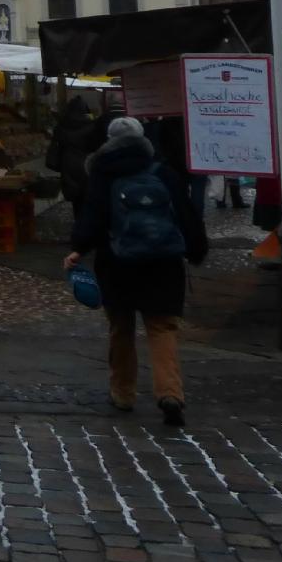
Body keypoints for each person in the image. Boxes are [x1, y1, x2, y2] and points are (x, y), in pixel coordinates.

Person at [65, 116, 208, 427]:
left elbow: (94, 216)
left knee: (121, 327)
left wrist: (78, 247)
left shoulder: (102, 173)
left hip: (118, 262)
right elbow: (186, 213)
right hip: (164, 263)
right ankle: (170, 393)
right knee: (162, 328)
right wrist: (196, 249)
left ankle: (123, 393)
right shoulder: (163, 171)